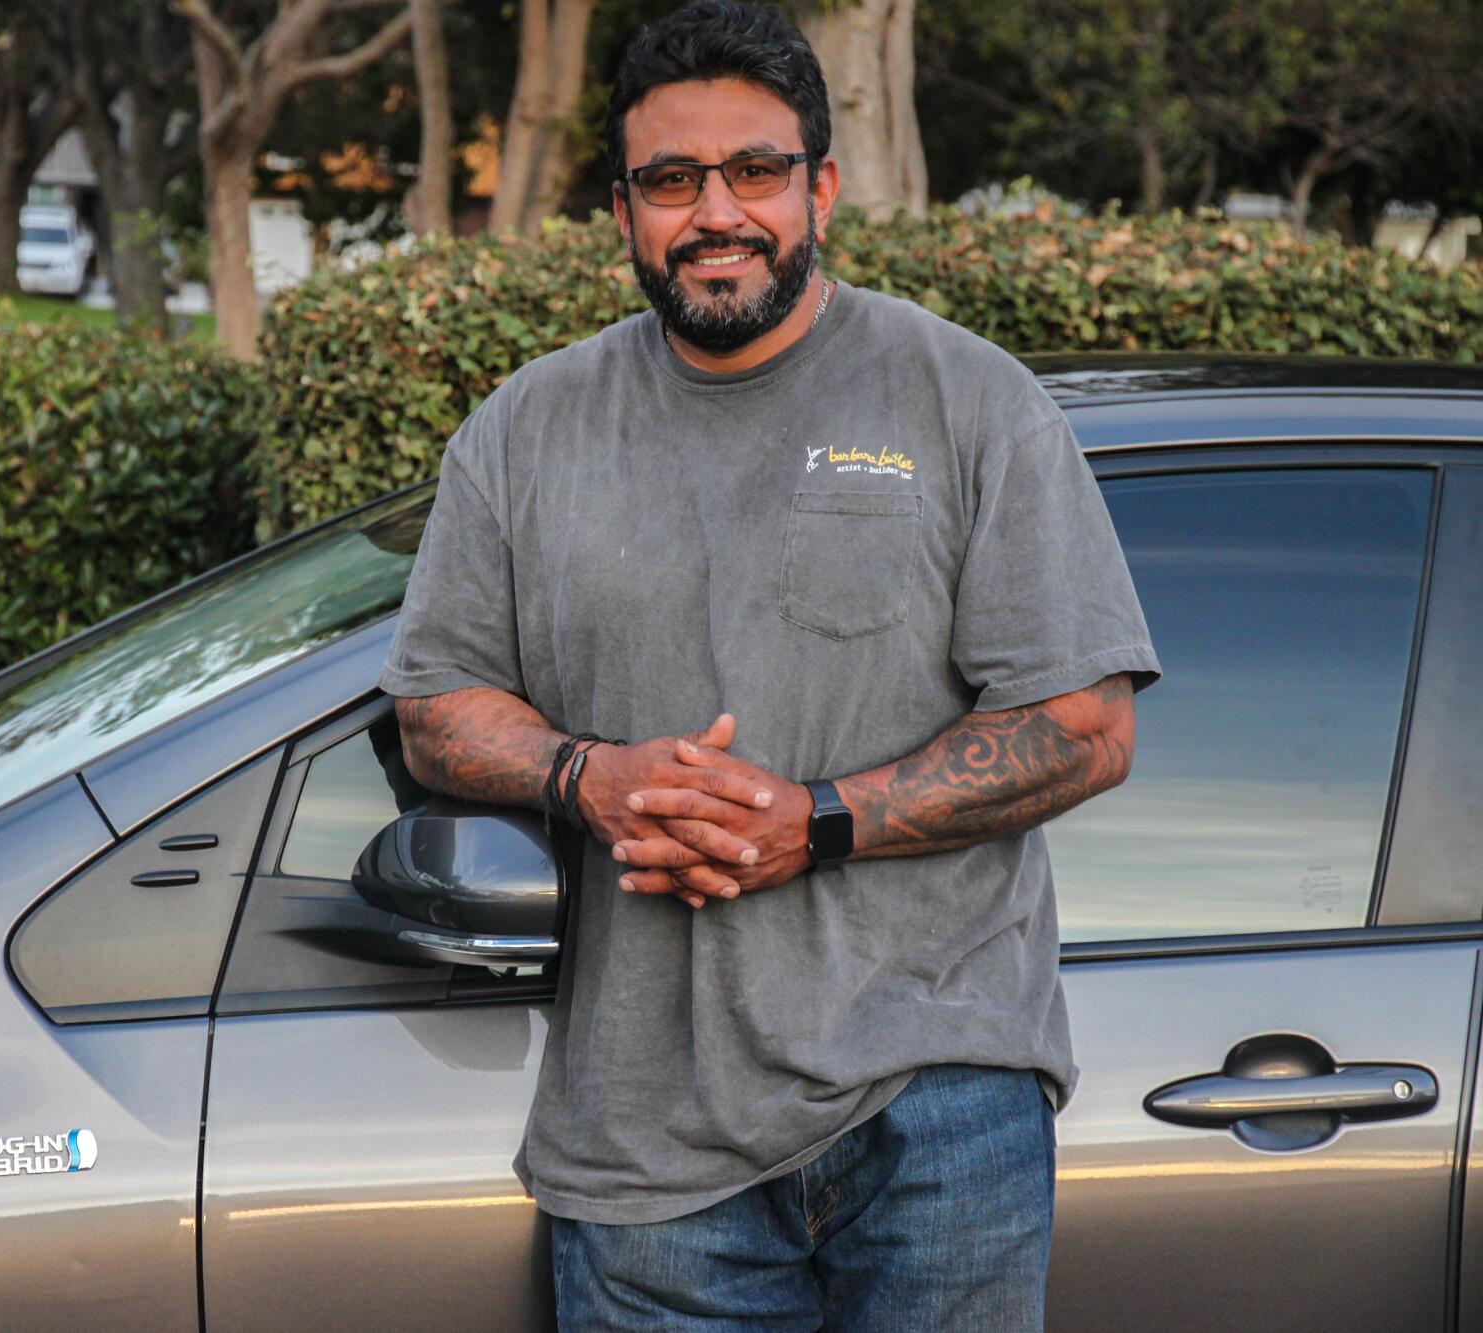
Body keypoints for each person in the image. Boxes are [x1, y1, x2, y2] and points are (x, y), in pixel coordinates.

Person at [378, 2, 1161, 1326]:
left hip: (939, 1107)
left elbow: (1084, 723)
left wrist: (820, 820)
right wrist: (591, 777)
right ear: (624, 209)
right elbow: (436, 709)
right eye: (672, 180)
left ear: (823, 189)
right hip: (646, 1146)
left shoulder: (967, 401)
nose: (716, 212)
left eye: (756, 171)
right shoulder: (526, 429)